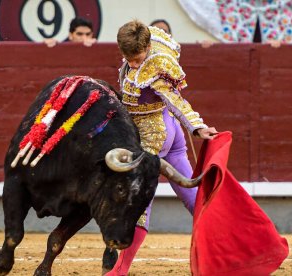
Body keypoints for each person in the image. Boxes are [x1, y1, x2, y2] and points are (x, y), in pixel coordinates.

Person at [105, 20, 218, 275]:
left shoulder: (157, 65)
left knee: (140, 206)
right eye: (128, 58)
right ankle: (226, 250)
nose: (134, 63)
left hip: (154, 136)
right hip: (170, 132)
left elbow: (176, 99)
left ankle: (118, 272)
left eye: (137, 58)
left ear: (146, 46)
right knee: (195, 200)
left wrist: (198, 127)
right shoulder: (147, 43)